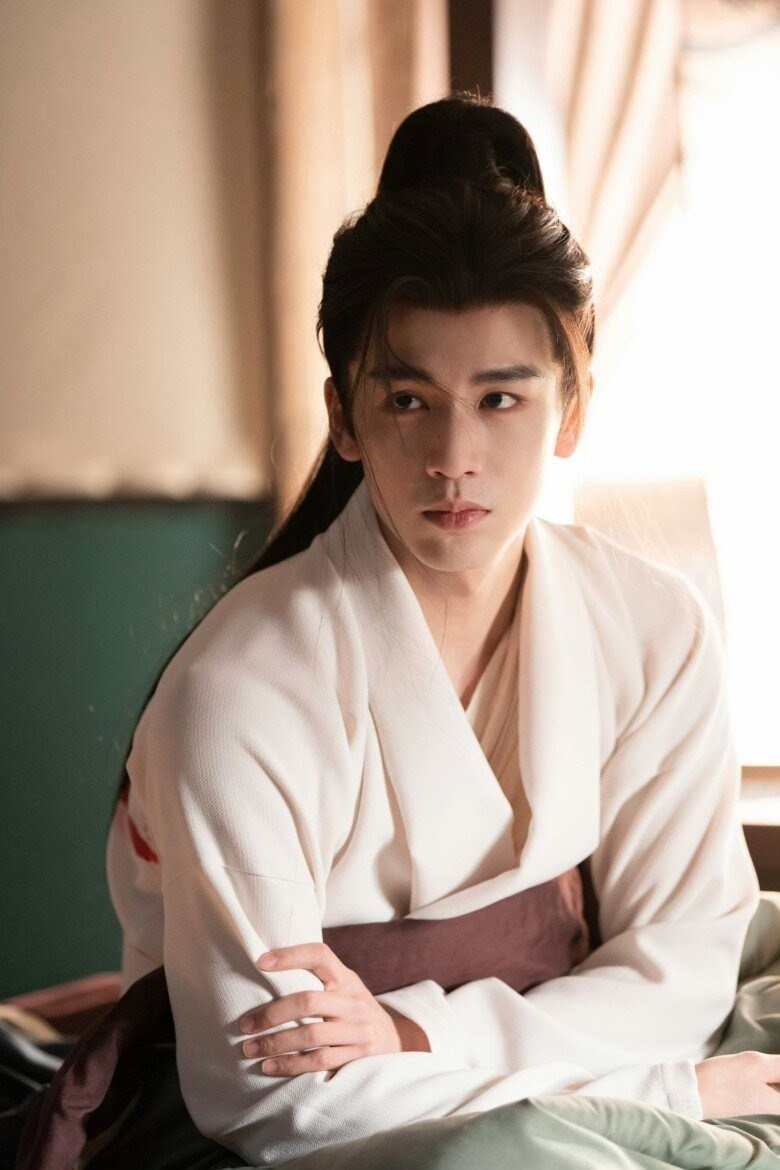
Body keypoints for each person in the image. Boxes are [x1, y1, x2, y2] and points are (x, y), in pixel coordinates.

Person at [106, 95, 772, 1167]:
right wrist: (660, 1092)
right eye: (410, 400)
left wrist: (417, 1031)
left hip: (479, 1068)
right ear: (345, 415)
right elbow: (275, 1092)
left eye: (501, 400)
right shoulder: (240, 684)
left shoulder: (655, 628)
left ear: (572, 409)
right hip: (299, 1130)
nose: (455, 458)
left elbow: (685, 971)